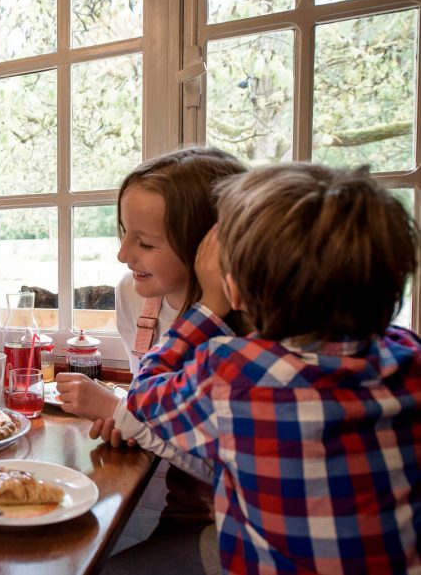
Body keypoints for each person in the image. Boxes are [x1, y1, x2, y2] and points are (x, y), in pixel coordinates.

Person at [109, 163, 421, 573]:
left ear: (235, 288)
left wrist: (208, 307)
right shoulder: (409, 353)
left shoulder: (235, 372)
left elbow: (142, 398)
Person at [57, 146, 247, 574]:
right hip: (183, 511)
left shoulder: (252, 323)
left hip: (237, 522)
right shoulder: (135, 295)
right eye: (124, 233)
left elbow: (233, 466)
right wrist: (126, 418)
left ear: (209, 247)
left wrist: (119, 412)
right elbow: (151, 407)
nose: (123, 254)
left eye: (144, 242)